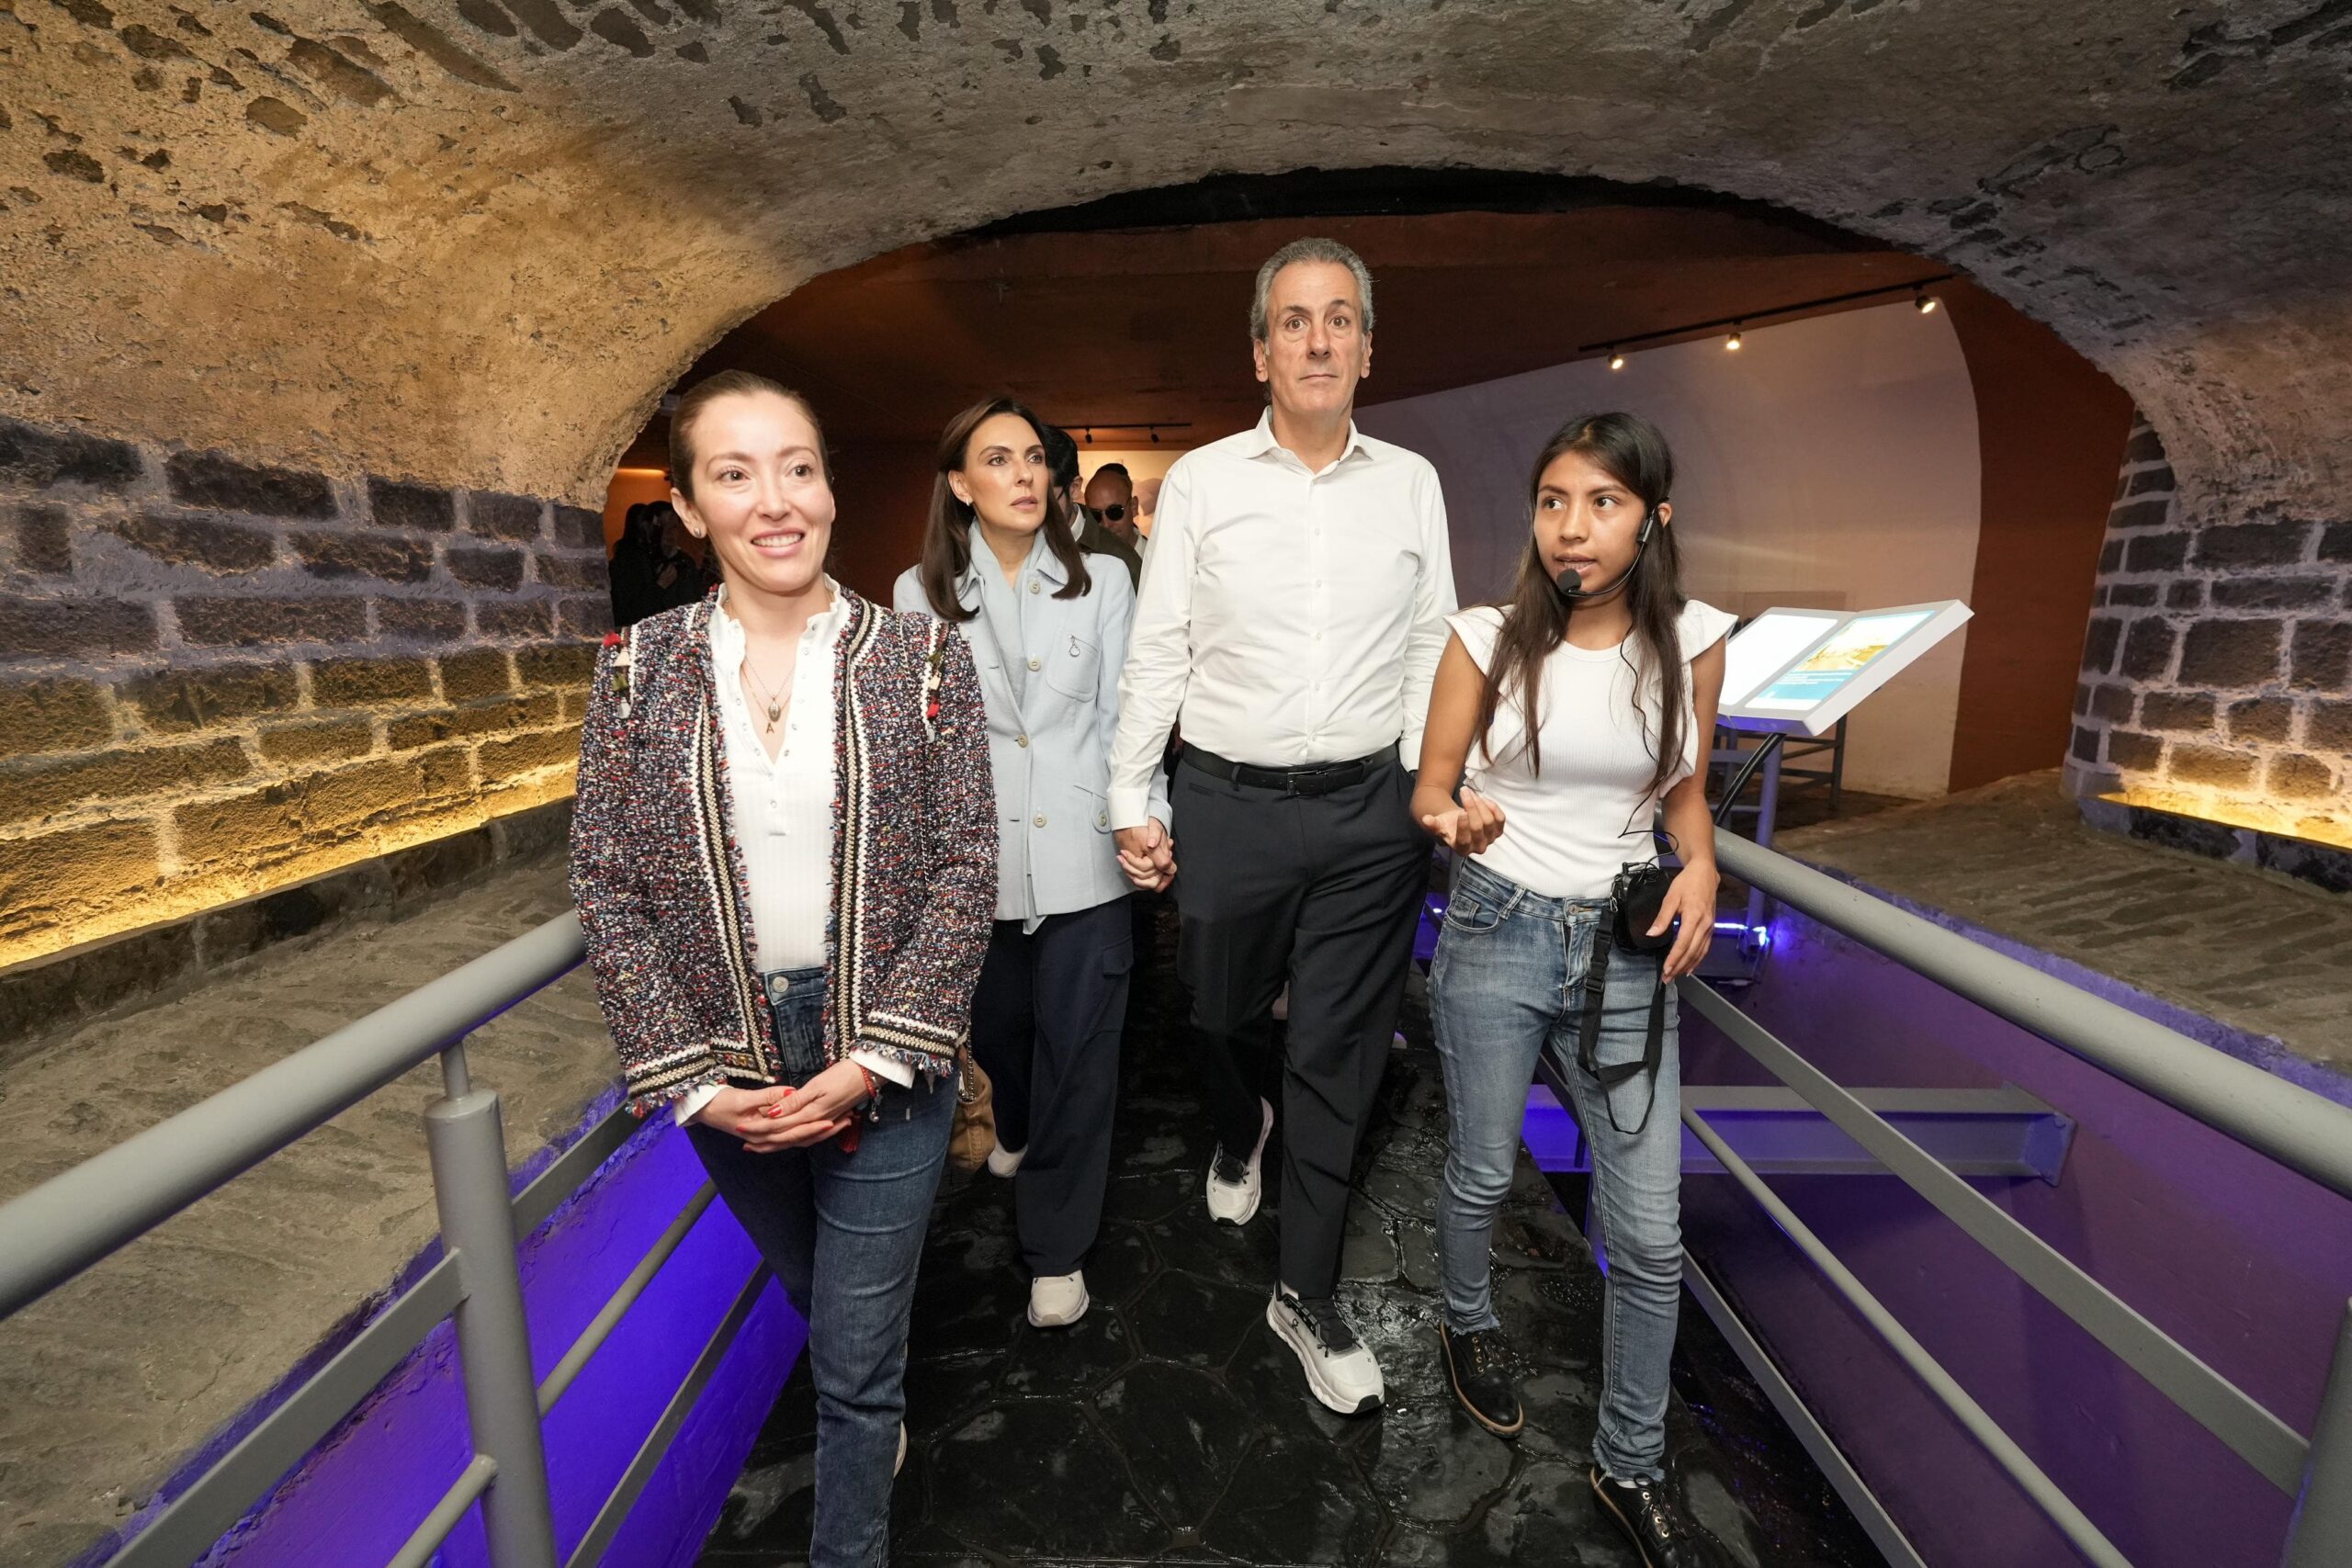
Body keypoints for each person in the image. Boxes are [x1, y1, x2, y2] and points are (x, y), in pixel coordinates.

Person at [571, 369, 996, 1568]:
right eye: (734, 471)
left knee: (855, 1369)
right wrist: (697, 1086)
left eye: (797, 466)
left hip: (885, 1056)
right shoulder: (632, 669)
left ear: (828, 486)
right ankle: (873, 1383)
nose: (775, 499)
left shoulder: (921, 657)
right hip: (727, 1064)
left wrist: (874, 1056)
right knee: (823, 1294)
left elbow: (967, 861)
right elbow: (609, 878)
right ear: (692, 507)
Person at [1109, 237, 1455, 1416]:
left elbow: (1430, 641)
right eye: (1295, 321)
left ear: (1368, 346)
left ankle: (1303, 1291)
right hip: (1228, 804)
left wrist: (1422, 780)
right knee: (1212, 1009)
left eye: (1340, 319)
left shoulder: (1411, 482)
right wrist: (1130, 797)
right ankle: (1234, 1123)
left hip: (1369, 813)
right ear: (1260, 352)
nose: (1318, 339)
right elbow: (1159, 649)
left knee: (1339, 1057)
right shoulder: (1205, 481)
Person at [1412, 412, 1732, 1567]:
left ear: (1653, 517)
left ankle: (1629, 1459)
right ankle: (1467, 1319)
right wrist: (1459, 819)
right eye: (1553, 501)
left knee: (1649, 1235)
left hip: (1629, 950)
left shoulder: (1693, 637)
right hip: (1497, 931)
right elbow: (1431, 792)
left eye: (1600, 502)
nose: (1571, 527)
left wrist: (1700, 861)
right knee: (1483, 1169)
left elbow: (1681, 789)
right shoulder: (1488, 636)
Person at [894, 396, 1167, 1329]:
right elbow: (920, 750)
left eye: (1033, 459)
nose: (1021, 474)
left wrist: (1147, 818)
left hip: (1088, 854)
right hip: (975, 867)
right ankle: (1009, 1123)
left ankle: (1056, 1250)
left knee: (1081, 1057)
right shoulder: (914, 596)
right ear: (961, 485)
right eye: (995, 459)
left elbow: (1128, 724)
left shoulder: (1102, 581)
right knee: (1004, 1036)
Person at [1045, 423, 1142, 587]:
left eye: (1047, 500)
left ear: (1074, 488)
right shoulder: (1018, 543)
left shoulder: (1121, 559)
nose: (1037, 511)